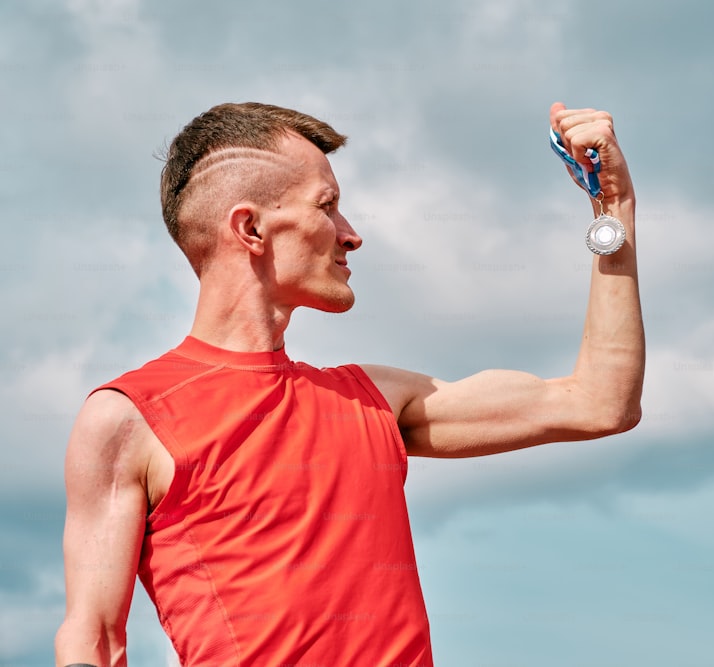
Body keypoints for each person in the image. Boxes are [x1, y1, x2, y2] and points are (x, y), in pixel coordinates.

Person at [54, 101, 645, 666]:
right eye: (327, 206)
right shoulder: (129, 418)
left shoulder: (374, 402)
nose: (351, 233)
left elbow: (601, 402)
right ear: (251, 229)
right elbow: (95, 640)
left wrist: (612, 211)